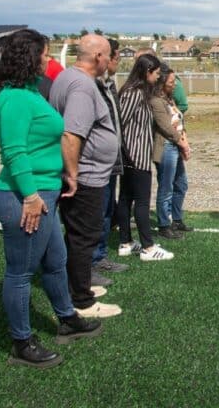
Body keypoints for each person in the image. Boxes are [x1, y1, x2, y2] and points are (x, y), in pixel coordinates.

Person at [0, 29, 102, 369]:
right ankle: (21, 342)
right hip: (24, 197)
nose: (48, 60)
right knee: (21, 273)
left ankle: (67, 320)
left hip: (46, 192)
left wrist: (65, 174)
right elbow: (14, 152)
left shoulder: (30, 93)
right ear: (28, 56)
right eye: (44, 54)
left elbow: (45, 142)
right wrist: (30, 196)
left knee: (56, 261)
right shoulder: (15, 98)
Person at [49, 34, 123, 318]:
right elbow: (71, 134)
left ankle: (75, 284)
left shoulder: (69, 78)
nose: (109, 61)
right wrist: (73, 174)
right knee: (84, 236)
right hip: (87, 176)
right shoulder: (81, 86)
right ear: (97, 58)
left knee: (78, 236)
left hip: (89, 172)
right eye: (107, 56)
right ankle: (82, 300)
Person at [116, 54, 174, 260]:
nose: (158, 77)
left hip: (134, 155)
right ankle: (148, 248)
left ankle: (126, 242)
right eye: (156, 73)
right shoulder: (133, 93)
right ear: (147, 71)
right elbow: (120, 124)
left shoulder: (139, 92)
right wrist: (127, 154)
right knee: (140, 201)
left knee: (125, 198)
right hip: (134, 156)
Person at [91, 37, 129, 282]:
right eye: (114, 58)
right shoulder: (90, 86)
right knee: (96, 212)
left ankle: (100, 256)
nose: (115, 63)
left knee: (106, 210)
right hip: (95, 165)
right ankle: (89, 263)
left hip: (111, 161)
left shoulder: (108, 85)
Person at [150, 67, 192, 240]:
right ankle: (163, 225)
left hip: (176, 145)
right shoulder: (156, 101)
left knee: (181, 184)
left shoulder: (169, 99)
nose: (175, 85)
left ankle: (176, 219)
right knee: (166, 188)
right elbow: (166, 127)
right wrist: (182, 143)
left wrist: (185, 140)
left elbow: (178, 121)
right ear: (161, 83)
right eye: (171, 82)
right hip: (166, 147)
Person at [135, 47, 188, 113]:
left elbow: (183, 105)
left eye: (140, 60)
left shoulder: (169, 78)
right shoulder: (139, 82)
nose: (136, 64)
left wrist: (170, 114)